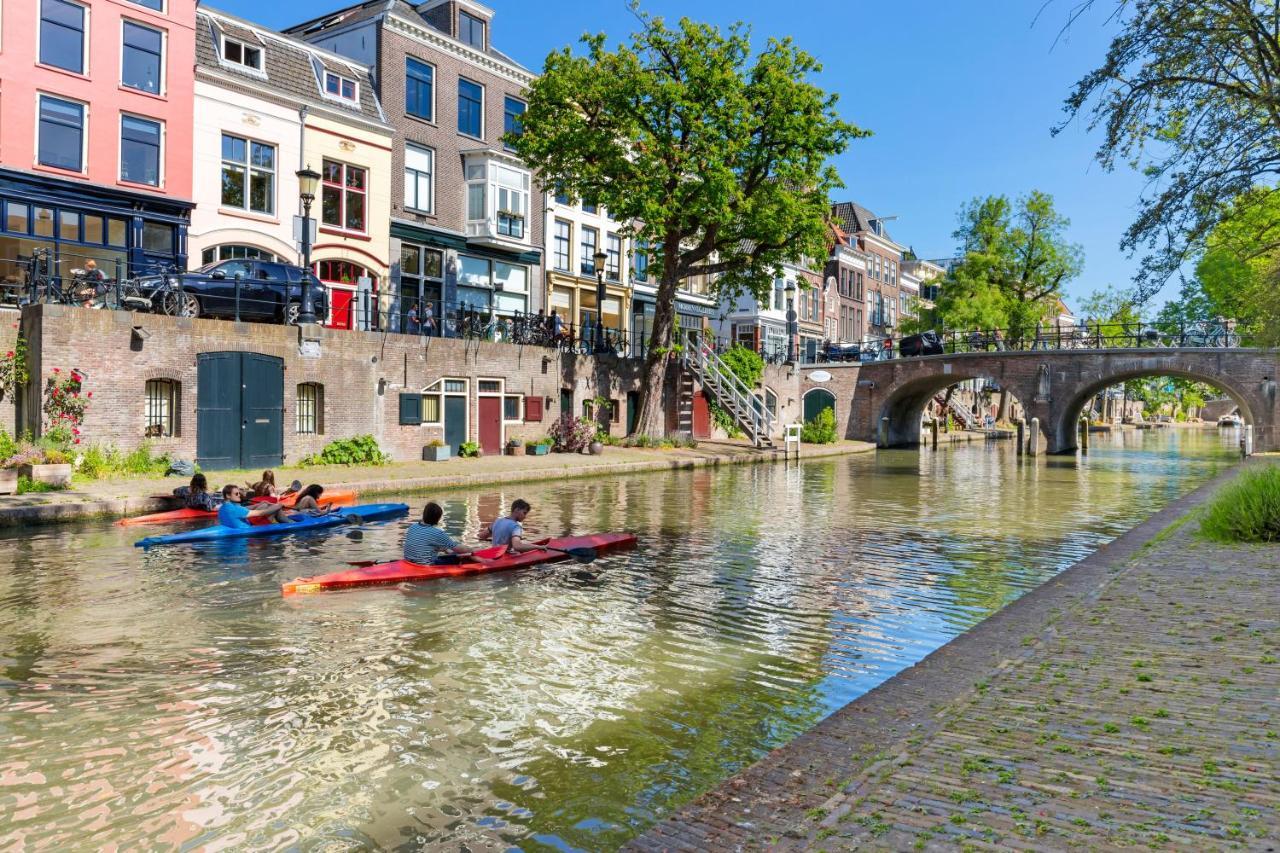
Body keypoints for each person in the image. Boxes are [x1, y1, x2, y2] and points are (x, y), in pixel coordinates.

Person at [403, 502, 475, 564]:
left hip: (409, 562)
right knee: (459, 557)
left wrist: (444, 549)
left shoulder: (412, 527)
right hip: (425, 565)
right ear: (438, 518)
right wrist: (472, 550)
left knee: (448, 552)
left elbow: (422, 544)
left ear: (424, 514)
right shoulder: (437, 533)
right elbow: (460, 549)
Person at [218, 484, 294, 527]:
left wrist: (260, 503)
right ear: (228, 495)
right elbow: (261, 513)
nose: (239, 495)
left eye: (239, 493)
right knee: (275, 508)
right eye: (236, 494)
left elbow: (244, 508)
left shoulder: (223, 507)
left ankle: (287, 521)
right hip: (251, 529)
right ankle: (292, 524)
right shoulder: (234, 509)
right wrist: (279, 505)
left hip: (245, 525)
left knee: (264, 505)